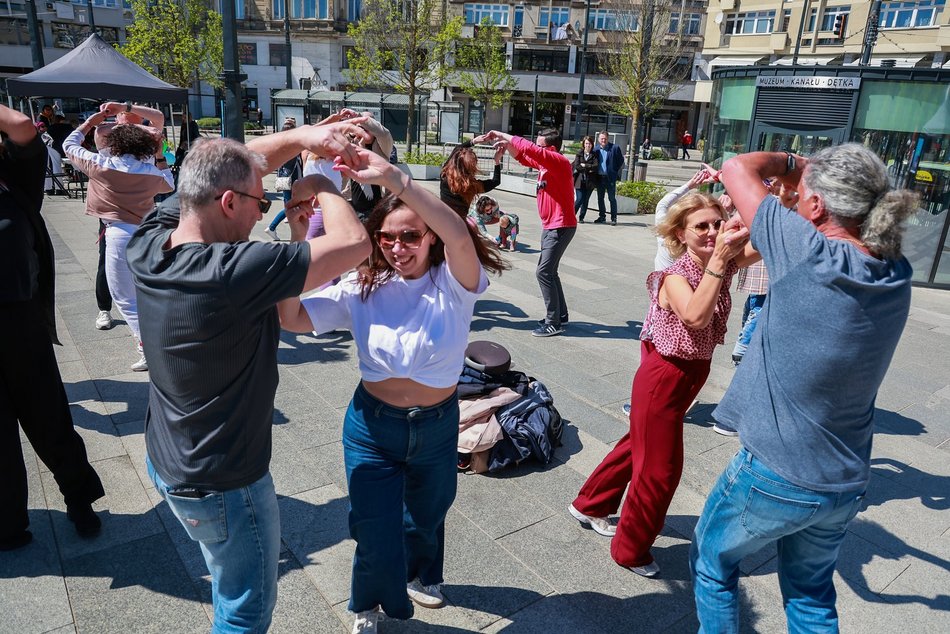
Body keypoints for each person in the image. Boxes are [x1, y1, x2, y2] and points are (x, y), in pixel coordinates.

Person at [126, 122, 373, 633]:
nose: (264, 214)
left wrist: (307, 138)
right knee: (246, 607)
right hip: (224, 481)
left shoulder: (151, 240)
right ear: (229, 203)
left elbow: (232, 162)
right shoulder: (233, 269)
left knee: (225, 575)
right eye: (261, 205)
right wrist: (323, 186)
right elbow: (354, 245)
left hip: (171, 456)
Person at [276, 148, 506, 634]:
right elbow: (292, 318)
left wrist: (397, 180)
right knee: (374, 529)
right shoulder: (362, 286)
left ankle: (424, 574)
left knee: (426, 516)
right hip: (372, 427)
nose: (398, 246)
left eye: (410, 235)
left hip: (438, 427)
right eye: (387, 237)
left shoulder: (455, 283)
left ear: (429, 238)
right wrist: (300, 241)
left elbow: (458, 232)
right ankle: (370, 603)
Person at [690, 144, 916, 632]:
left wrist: (795, 163)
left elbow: (735, 167)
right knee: (811, 597)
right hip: (844, 478)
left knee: (714, 565)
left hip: (777, 470)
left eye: (803, 193)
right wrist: (803, 182)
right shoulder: (896, 274)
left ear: (816, 207)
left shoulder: (808, 251)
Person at [569, 192, 750, 578]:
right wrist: (719, 259)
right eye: (701, 225)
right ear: (681, 234)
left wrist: (782, 197)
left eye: (717, 224)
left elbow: (766, 242)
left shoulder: (721, 263)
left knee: (636, 446)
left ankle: (589, 503)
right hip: (663, 380)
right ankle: (629, 549)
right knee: (661, 471)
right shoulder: (675, 276)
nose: (712, 232)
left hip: (686, 379)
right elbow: (697, 317)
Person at [0, 103, 105, 551]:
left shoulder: (13, 181)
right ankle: (8, 522)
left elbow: (23, 127)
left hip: (18, 321)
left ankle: (78, 498)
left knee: (49, 418)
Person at [64, 109, 174, 371]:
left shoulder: (101, 165)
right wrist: (159, 155)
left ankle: (148, 347)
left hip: (119, 234)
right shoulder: (150, 172)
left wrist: (92, 122)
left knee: (124, 297)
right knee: (149, 291)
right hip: (149, 233)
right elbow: (169, 183)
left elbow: (69, 144)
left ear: (114, 144)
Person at [483, 127, 577, 337]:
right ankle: (560, 315)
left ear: (551, 148)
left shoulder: (559, 162)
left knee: (543, 272)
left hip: (560, 226)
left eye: (540, 145)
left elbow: (529, 149)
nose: (536, 148)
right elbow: (524, 157)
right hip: (551, 225)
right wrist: (506, 146)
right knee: (550, 272)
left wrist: (504, 135)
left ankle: (553, 322)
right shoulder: (546, 165)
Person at [439, 134, 504, 217]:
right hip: (459, 222)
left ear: (455, 160)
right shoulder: (472, 186)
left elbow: (457, 149)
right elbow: (496, 181)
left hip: (442, 217)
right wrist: (497, 161)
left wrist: (474, 141)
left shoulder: (444, 174)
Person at [264, 118, 303, 240]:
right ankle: (272, 227)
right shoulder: (292, 145)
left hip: (282, 176)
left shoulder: (279, 142)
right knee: (289, 207)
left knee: (288, 204)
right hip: (290, 178)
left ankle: (274, 227)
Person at [594, 131, 624, 225]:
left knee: (611, 198)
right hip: (599, 177)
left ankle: (613, 218)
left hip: (610, 177)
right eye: (602, 138)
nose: (603, 140)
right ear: (599, 139)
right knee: (600, 198)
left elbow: (621, 160)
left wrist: (614, 170)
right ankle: (602, 216)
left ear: (608, 139)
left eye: (605, 138)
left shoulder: (614, 148)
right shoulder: (596, 149)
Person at [572, 135, 601, 223]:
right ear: (584, 144)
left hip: (590, 181)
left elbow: (596, 166)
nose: (588, 145)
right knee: (579, 198)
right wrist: (589, 168)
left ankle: (581, 217)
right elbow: (577, 166)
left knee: (585, 200)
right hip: (579, 180)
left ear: (592, 145)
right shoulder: (579, 153)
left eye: (590, 144)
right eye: (586, 143)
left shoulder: (594, 154)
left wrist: (584, 165)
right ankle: (571, 215)